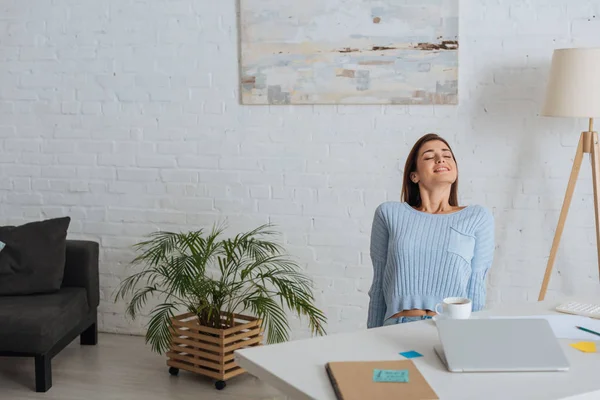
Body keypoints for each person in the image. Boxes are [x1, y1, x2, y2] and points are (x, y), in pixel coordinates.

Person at [367, 133, 495, 328]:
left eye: (447, 155)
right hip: (396, 328)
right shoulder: (389, 213)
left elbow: (476, 287)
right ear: (414, 175)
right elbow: (378, 286)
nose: (440, 159)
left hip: (450, 328)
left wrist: (473, 340)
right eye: (428, 156)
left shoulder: (477, 217)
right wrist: (370, 340)